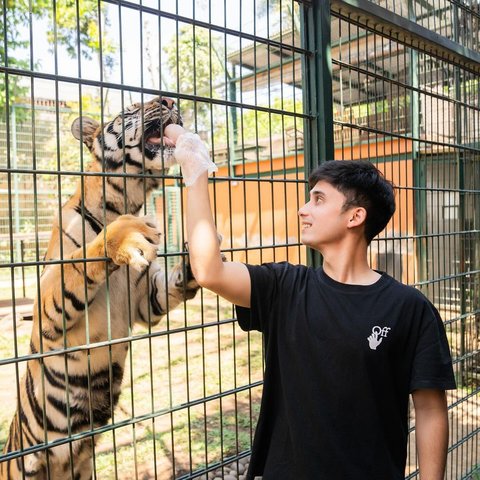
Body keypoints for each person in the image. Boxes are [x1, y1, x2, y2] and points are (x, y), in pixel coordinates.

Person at [165, 124, 456, 480]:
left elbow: (429, 409)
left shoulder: (409, 307)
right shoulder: (284, 287)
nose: (303, 210)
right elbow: (209, 271)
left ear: (355, 216)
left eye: (318, 199)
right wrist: (194, 168)